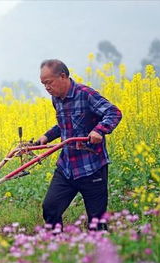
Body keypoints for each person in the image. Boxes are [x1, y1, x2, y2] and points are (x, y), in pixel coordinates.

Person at [36, 59, 122, 232]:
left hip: (91, 167)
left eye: (49, 82)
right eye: (43, 84)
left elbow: (113, 112)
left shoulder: (85, 94)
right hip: (66, 167)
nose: (47, 88)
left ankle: (101, 255)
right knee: (50, 209)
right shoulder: (56, 99)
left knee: (97, 222)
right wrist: (47, 136)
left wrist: (100, 130)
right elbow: (64, 124)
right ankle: (56, 248)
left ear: (63, 76)